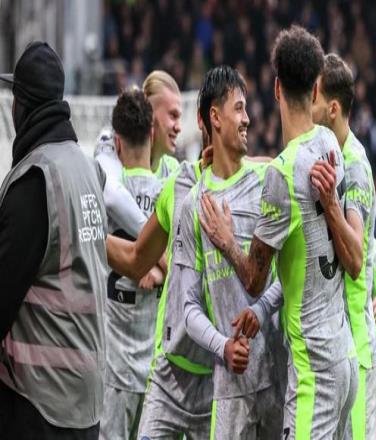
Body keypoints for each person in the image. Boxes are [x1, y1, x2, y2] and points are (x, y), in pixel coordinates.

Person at [199, 26, 356, 439]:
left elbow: (255, 279)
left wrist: (226, 240)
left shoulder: (281, 175)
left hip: (314, 368)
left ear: (276, 88)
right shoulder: (329, 143)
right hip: (345, 357)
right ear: (317, 87)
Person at [0, 41, 108, 439]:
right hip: (85, 402)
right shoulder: (87, 170)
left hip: (40, 402)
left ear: (22, 106)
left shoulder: (36, 180)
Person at [176, 65, 284, 440]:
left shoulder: (267, 181)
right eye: (239, 108)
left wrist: (261, 308)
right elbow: (188, 307)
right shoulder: (192, 205)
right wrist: (223, 347)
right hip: (228, 389)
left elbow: (292, 275)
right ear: (215, 117)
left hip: (279, 378)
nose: (248, 118)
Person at [105, 112, 214, 438]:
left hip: (129, 366)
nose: (178, 125)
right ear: (151, 128)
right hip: (165, 368)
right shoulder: (175, 185)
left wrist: (88, 231)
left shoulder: (110, 182)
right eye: (172, 114)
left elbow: (137, 258)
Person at [310, 52, 376, 440]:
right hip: (336, 347)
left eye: (315, 98)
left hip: (356, 345)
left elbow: (355, 258)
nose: (309, 106)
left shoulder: (353, 165)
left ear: (333, 109)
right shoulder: (328, 155)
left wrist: (330, 205)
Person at [99, 89, 164, 440]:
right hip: (156, 371)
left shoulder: (105, 193)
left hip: (113, 368)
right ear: (152, 134)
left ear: (117, 143)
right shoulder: (168, 193)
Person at [95, 70, 182, 238]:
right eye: (173, 115)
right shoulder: (111, 142)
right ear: (150, 115)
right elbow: (111, 195)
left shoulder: (174, 171)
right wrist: (150, 246)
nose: (179, 127)